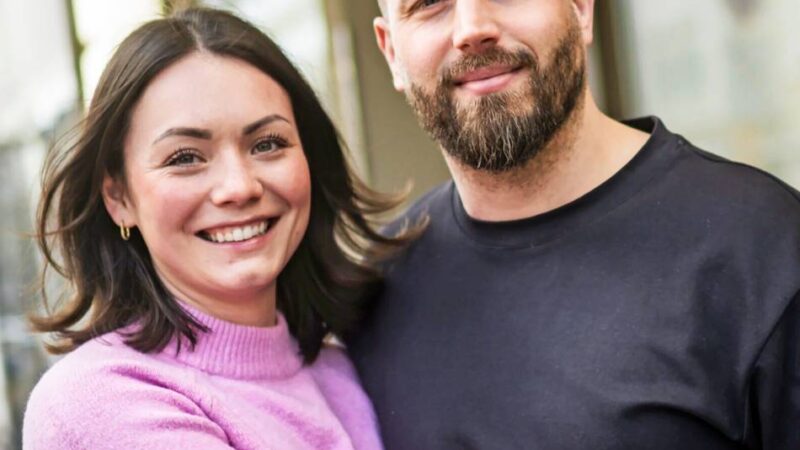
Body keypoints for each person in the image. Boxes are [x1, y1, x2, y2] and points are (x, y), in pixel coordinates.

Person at [347, 0, 800, 449]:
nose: (471, 28)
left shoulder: (764, 248)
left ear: (581, 9)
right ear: (391, 53)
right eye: (428, 3)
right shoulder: (373, 289)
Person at [23, 7, 414, 450]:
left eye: (268, 144)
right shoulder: (98, 400)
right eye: (185, 157)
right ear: (118, 198)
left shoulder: (339, 373)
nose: (239, 187)